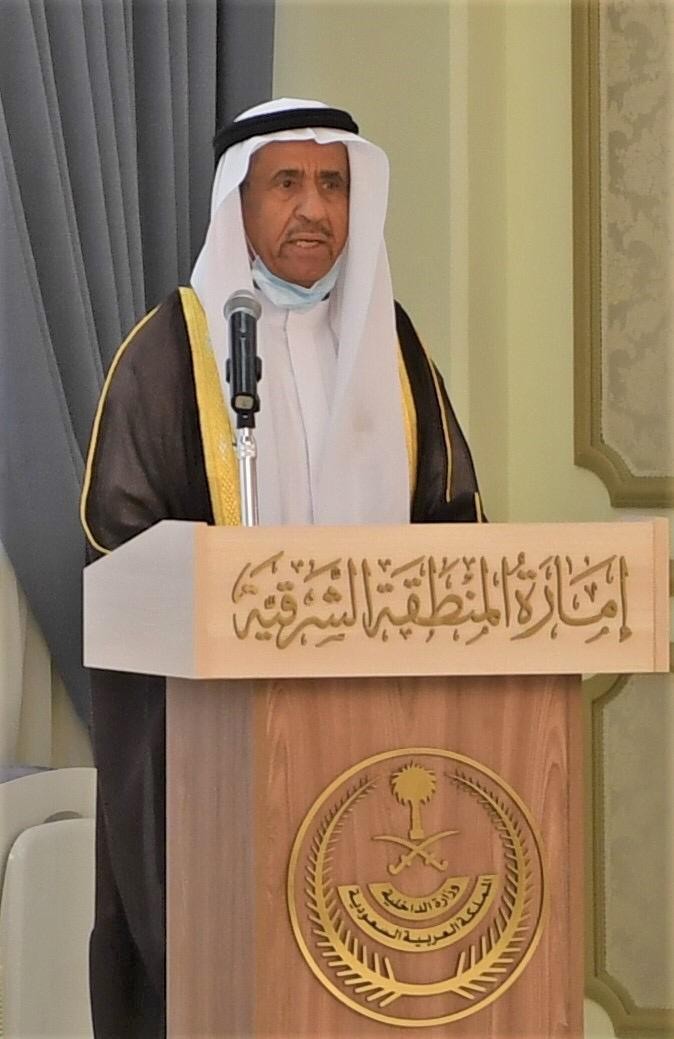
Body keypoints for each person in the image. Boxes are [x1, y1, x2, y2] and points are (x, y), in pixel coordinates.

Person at [80, 97, 484, 1038]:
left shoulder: (396, 348)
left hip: (380, 742)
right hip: (218, 752)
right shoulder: (168, 356)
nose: (315, 209)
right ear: (240, 201)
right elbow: (117, 548)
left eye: (334, 185)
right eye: (289, 183)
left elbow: (456, 526)